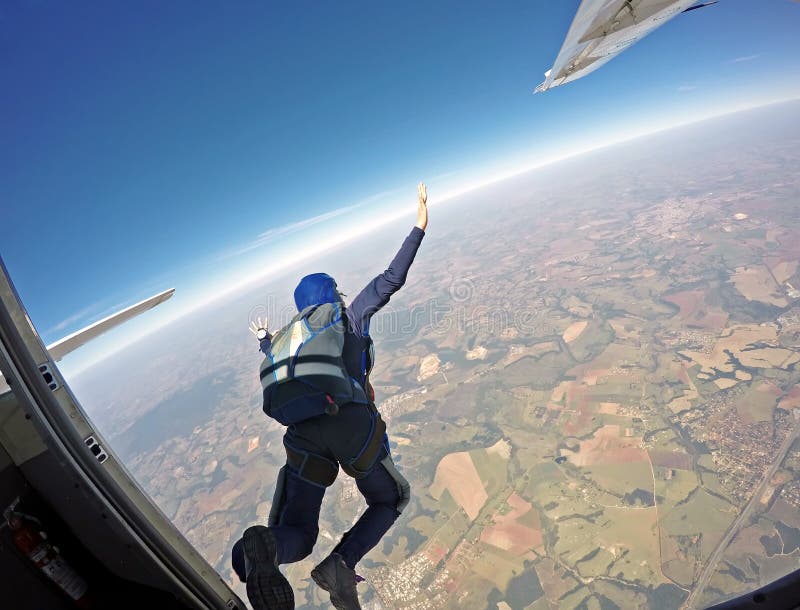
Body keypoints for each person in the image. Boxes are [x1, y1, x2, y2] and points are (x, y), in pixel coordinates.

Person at [231, 183, 428, 610]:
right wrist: (419, 227)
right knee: (390, 498)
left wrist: (264, 337)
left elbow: (276, 359)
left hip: (302, 436)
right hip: (349, 425)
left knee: (299, 534)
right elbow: (390, 280)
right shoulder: (348, 318)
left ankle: (262, 551)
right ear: (332, 296)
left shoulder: (290, 339)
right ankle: (340, 564)